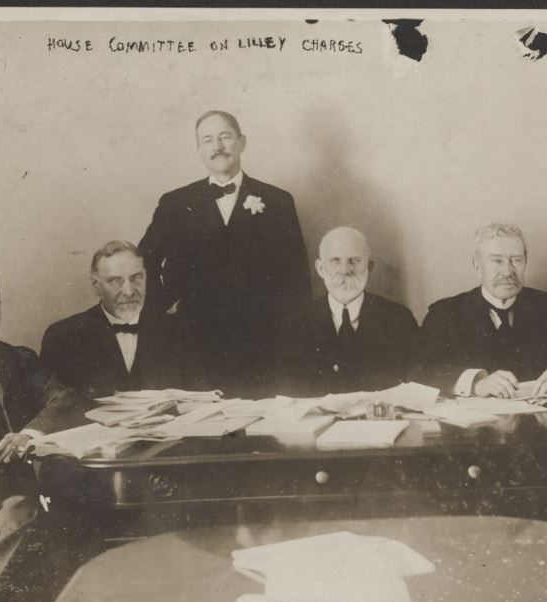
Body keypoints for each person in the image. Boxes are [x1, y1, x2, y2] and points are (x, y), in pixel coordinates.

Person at [139, 110, 311, 397]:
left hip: (262, 342)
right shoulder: (175, 203)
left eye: (225, 137)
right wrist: (164, 309)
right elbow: (143, 263)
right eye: (207, 140)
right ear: (199, 149)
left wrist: (290, 336)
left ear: (242, 142)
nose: (217, 147)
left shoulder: (278, 201)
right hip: (194, 340)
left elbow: (297, 277)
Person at [412, 223, 547, 397]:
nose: (508, 271)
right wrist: (476, 383)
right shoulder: (446, 313)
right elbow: (419, 372)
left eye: (516, 260)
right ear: (478, 266)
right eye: (497, 261)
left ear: (525, 263)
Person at [0, 262, 83, 468]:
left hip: (18, 479)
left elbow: (67, 400)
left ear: (0, 302)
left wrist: (28, 436)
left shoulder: (20, 358)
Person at [40, 241, 205, 407]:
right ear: (96, 286)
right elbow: (56, 411)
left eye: (136, 278)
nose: (129, 291)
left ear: (146, 278)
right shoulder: (63, 337)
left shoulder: (177, 331)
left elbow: (200, 401)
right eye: (116, 281)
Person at [275, 227, 418, 396]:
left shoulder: (399, 319)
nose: (345, 270)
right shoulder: (296, 323)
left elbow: (411, 390)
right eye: (335, 260)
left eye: (354, 261)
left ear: (369, 267)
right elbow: (289, 393)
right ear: (320, 268)